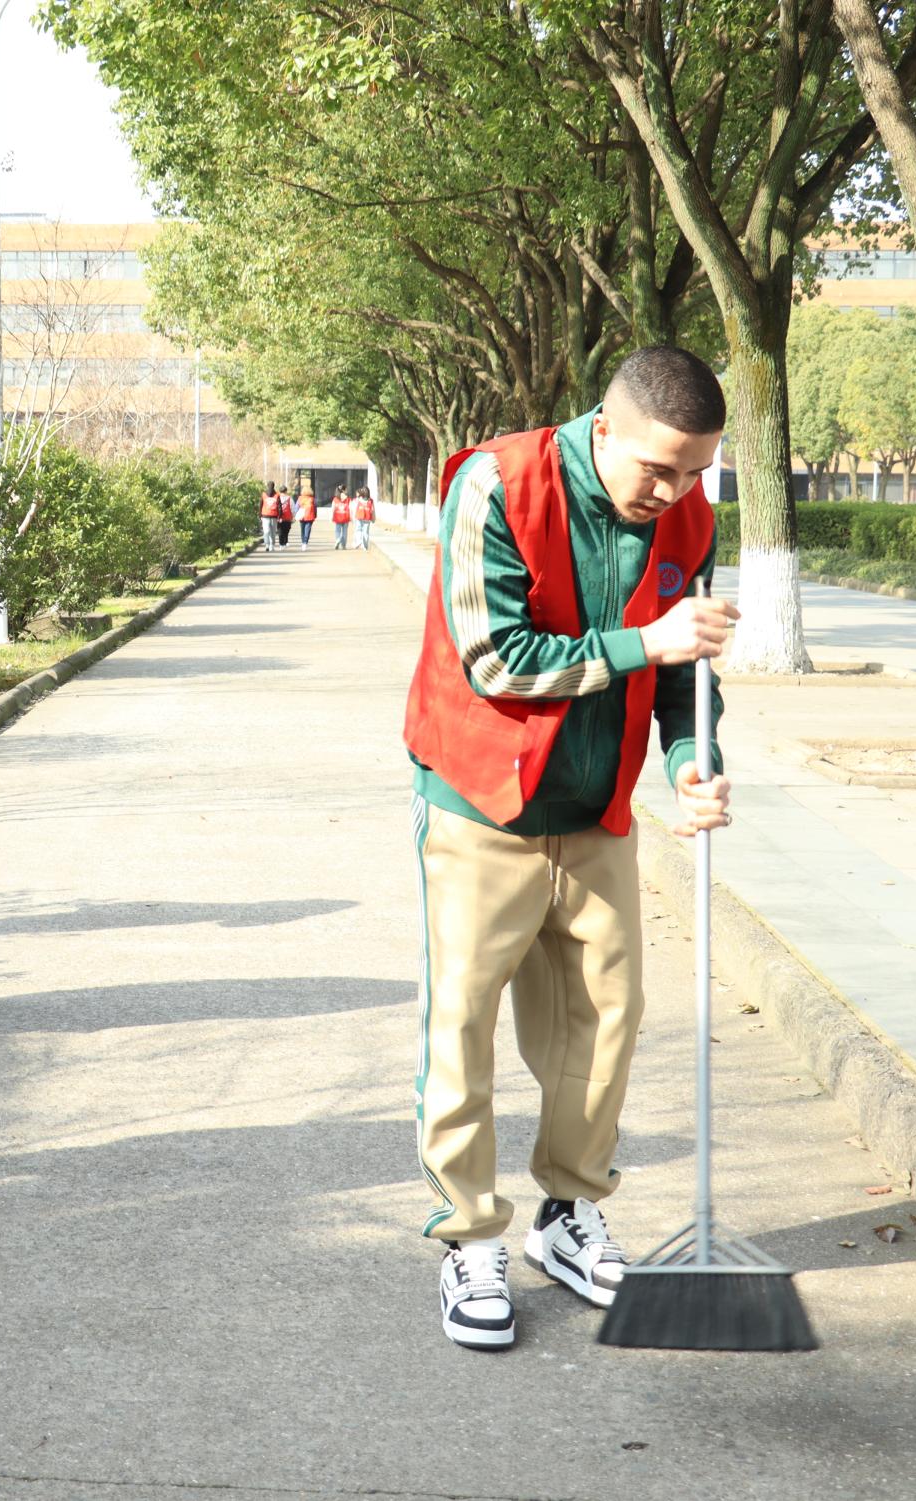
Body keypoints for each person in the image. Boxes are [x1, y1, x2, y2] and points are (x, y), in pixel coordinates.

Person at [401, 346, 738, 1352]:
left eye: (695, 471)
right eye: (657, 468)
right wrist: (646, 643)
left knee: (605, 1020)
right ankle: (469, 1237)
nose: (672, 491)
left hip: (594, 810)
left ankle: (567, 1211)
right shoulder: (496, 484)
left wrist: (691, 760)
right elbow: (495, 659)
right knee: (462, 1022)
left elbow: (685, 676)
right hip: (481, 804)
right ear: (604, 427)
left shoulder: (688, 518)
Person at [258, 484, 282, 551]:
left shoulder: (263, 494)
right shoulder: (277, 495)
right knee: (273, 532)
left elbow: (260, 505)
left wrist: (260, 515)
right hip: (274, 516)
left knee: (266, 531)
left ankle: (267, 545)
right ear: (274, 486)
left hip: (265, 515)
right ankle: (272, 545)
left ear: (267, 486)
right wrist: (279, 516)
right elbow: (279, 506)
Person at [357, 484, 375, 550]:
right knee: (366, 532)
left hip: (359, 517)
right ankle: (365, 545)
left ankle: (359, 541)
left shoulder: (359, 499)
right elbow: (373, 510)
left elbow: (355, 507)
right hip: (367, 518)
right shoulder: (371, 500)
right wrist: (373, 518)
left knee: (359, 530)